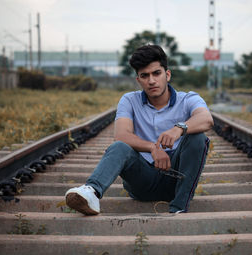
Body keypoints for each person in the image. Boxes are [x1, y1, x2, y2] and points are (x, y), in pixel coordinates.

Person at [65, 44, 214, 214]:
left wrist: (179, 128)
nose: (151, 81)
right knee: (119, 147)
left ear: (167, 74)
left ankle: (179, 208)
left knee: (198, 138)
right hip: (142, 181)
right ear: (138, 80)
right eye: (145, 76)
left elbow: (206, 119)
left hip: (177, 178)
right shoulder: (129, 100)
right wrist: (153, 148)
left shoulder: (188, 99)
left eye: (156, 73)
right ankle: (91, 192)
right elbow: (121, 135)